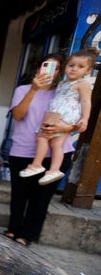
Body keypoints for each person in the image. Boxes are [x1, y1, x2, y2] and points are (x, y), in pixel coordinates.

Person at [3, 53, 76, 247]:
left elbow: (77, 122)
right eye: (45, 66)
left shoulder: (64, 93)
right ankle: (13, 228)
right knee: (19, 195)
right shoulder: (23, 89)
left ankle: (27, 235)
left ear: (60, 72)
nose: (49, 71)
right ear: (38, 68)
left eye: (56, 68)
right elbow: (18, 115)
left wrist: (64, 128)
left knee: (41, 199)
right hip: (22, 151)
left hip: (56, 154)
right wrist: (34, 89)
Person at [19, 49, 97, 185]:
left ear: (88, 70)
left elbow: (86, 101)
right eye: (71, 65)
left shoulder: (82, 84)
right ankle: (53, 170)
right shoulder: (62, 83)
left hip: (64, 116)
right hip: (56, 114)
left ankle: (37, 164)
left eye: (80, 67)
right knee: (56, 143)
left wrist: (85, 118)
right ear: (65, 67)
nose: (74, 69)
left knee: (42, 137)